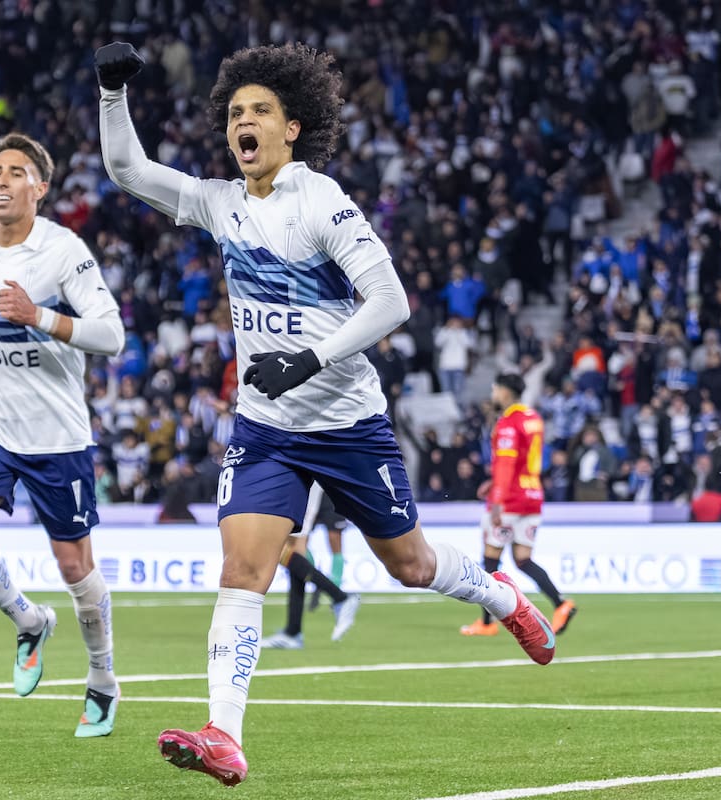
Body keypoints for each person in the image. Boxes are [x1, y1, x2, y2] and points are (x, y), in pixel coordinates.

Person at [96, 41, 556, 786]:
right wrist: (113, 92)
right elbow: (127, 171)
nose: (243, 122)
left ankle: (503, 597)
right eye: (235, 112)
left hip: (347, 426)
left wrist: (311, 360)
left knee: (411, 565)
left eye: (260, 111)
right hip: (265, 430)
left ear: (292, 129)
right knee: (243, 571)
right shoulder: (219, 202)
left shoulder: (322, 202)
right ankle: (224, 733)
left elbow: (392, 302)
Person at [0, 133, 126, 738]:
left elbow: (111, 335)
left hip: (56, 433)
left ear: (39, 189)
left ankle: (102, 678)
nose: (1, 180)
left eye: (16, 172)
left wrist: (39, 317)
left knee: (75, 567)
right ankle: (27, 620)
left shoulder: (63, 251)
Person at [462, 373, 577, 637]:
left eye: (495, 388)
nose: (493, 393)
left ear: (504, 392)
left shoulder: (507, 424)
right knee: (523, 560)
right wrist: (494, 483)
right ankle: (561, 604)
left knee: (490, 560)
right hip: (533, 496)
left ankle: (487, 623)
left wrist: (498, 500)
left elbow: (505, 463)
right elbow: (526, 459)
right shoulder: (532, 418)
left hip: (511, 500)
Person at [261, 482, 361, 649]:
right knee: (294, 550)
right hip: (294, 478)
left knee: (280, 549)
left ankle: (340, 597)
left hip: (302, 478)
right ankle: (293, 632)